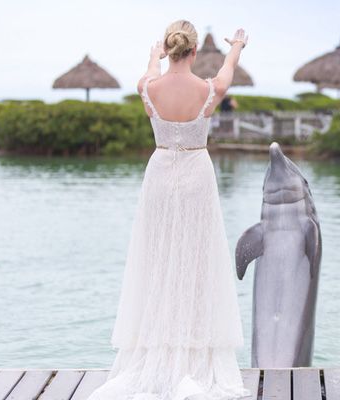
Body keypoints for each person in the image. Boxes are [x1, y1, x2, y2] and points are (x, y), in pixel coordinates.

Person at [86, 20, 250, 400]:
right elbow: (227, 70)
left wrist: (151, 55)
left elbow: (149, 73)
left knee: (159, 259)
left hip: (159, 174)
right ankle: (191, 352)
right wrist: (237, 45)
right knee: (196, 262)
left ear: (169, 50)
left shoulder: (148, 88)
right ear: (194, 52)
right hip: (196, 174)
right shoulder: (211, 90)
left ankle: (158, 347)